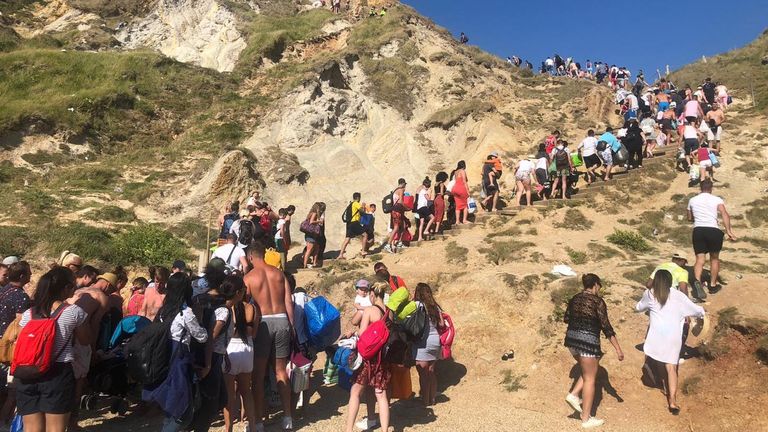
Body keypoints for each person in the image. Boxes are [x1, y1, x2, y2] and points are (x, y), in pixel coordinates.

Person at [16, 267, 88, 432]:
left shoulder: (29, 313)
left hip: (28, 373)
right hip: (58, 373)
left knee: (32, 429)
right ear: (66, 288)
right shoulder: (74, 312)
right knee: (55, 429)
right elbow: (86, 340)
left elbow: (20, 342)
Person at [636, 270, 705, 415]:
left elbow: (638, 307)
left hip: (656, 336)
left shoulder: (650, 294)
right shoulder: (678, 295)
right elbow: (696, 310)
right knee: (671, 368)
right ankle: (672, 401)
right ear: (670, 281)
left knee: (660, 360)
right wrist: (703, 313)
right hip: (673, 337)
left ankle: (663, 384)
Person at [147, 272, 208, 432]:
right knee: (183, 412)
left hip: (164, 358)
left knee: (170, 406)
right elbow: (202, 337)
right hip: (179, 361)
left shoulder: (164, 310)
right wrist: (200, 317)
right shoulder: (185, 313)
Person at [244, 241, 295, 432]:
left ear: (250, 257)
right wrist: (292, 326)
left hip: (263, 322)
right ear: (264, 254)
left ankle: (258, 422)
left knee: (258, 375)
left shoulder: (249, 278)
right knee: (281, 371)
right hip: (282, 319)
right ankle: (288, 418)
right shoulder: (278, 273)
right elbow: (288, 302)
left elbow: (246, 307)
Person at [563, 273, 624, 429]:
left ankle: (573, 394)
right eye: (599, 286)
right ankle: (585, 419)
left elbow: (566, 318)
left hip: (571, 341)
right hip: (588, 342)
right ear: (596, 284)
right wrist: (618, 348)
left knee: (588, 369)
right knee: (590, 378)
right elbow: (606, 327)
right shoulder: (598, 302)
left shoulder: (575, 298)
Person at [344, 282, 391, 432]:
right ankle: (384, 429)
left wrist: (353, 334)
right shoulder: (390, 312)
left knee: (355, 392)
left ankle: (348, 429)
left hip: (368, 359)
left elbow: (363, 334)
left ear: (372, 294)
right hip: (382, 359)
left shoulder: (370, 310)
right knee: (380, 394)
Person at [219, 276, 258, 432]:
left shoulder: (226, 308)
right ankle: (253, 426)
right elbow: (254, 334)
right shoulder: (252, 308)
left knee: (229, 393)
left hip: (231, 349)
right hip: (247, 349)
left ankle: (229, 428)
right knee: (246, 391)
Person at [687, 179, 737, 295]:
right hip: (713, 230)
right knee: (714, 258)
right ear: (711, 188)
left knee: (700, 259)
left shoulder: (692, 200)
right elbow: (724, 214)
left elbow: (689, 218)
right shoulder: (717, 200)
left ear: (700, 187)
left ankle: (697, 283)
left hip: (698, 230)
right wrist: (728, 231)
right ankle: (713, 285)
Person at [413, 283, 443, 406]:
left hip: (422, 342)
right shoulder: (435, 306)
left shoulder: (416, 305)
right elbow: (441, 324)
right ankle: (432, 399)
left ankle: (425, 401)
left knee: (423, 374)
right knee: (431, 372)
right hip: (435, 341)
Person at [339, 193, 368, 259]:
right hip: (354, 222)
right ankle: (363, 251)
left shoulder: (350, 204)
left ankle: (340, 254)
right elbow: (362, 212)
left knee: (347, 239)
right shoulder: (356, 203)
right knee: (365, 235)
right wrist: (363, 206)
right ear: (358, 198)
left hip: (349, 223)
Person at [385, 179, 407, 254]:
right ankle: (388, 244)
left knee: (403, 225)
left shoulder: (395, 190)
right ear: (403, 183)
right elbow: (400, 201)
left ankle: (399, 242)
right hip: (397, 210)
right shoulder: (401, 190)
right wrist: (407, 207)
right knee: (396, 227)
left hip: (394, 210)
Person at [302, 202, 326, 268]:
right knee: (309, 249)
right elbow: (311, 222)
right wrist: (319, 221)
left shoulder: (311, 213)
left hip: (312, 233)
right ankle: (304, 265)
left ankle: (314, 263)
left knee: (316, 249)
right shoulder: (314, 213)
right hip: (311, 233)